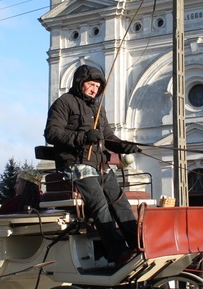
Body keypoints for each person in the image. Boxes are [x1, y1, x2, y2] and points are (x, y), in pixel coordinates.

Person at [44, 64, 141, 265]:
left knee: (120, 202)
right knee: (100, 204)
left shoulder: (98, 108)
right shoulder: (64, 103)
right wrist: (83, 137)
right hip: (75, 165)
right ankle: (117, 252)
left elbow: (107, 137)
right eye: (90, 84)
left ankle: (137, 244)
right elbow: (52, 133)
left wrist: (124, 146)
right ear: (80, 83)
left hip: (100, 166)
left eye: (97, 86)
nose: (94, 89)